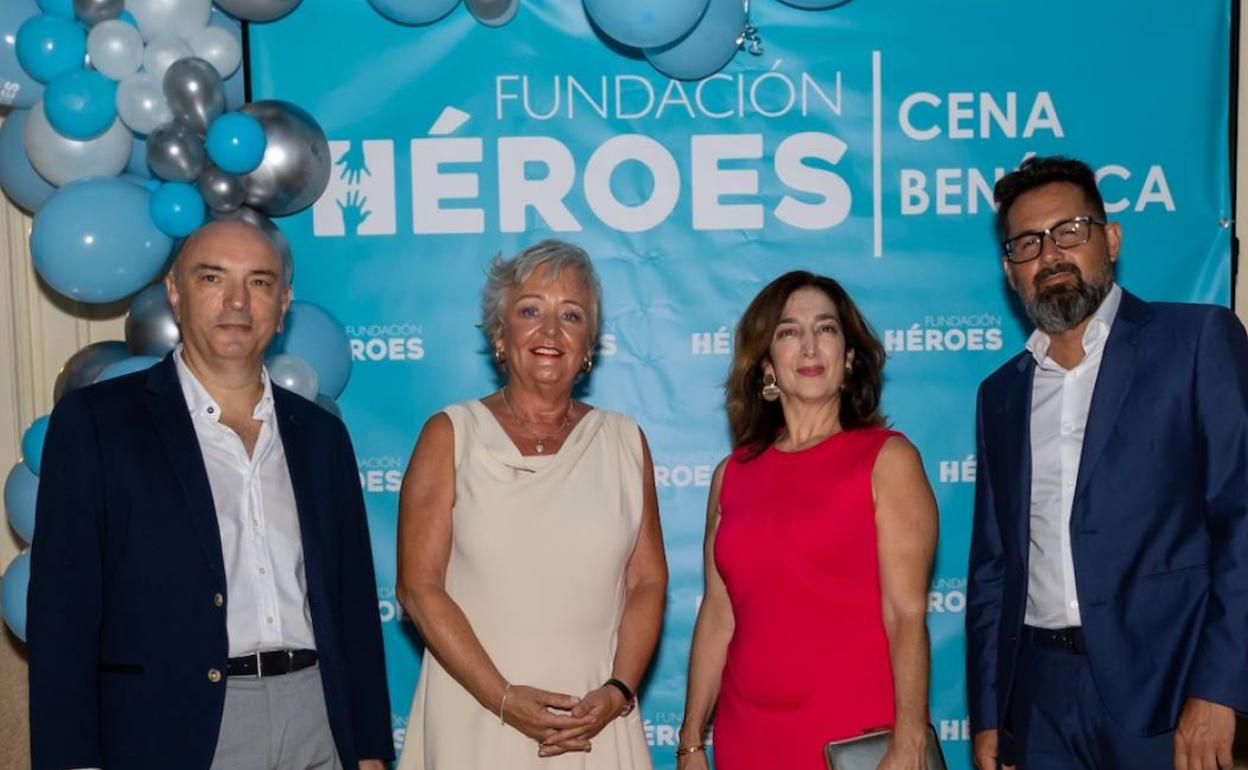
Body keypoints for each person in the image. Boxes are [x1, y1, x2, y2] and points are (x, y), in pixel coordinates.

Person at [27, 220, 393, 770]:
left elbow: (353, 604)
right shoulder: (98, 423)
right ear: (175, 293)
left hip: (317, 719)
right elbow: (63, 617)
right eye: (212, 278)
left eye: (261, 283)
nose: (238, 301)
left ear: (284, 302)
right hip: (174, 729)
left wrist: (367, 749)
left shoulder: (320, 435)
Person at [966, 156, 1248, 770]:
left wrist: (1221, 689)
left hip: (1169, 692)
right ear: (1010, 269)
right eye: (1028, 243)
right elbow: (993, 567)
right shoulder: (1000, 394)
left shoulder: (1197, 341)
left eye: (1070, 231)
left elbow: (1242, 521)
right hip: (1037, 701)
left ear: (1111, 239)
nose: (1051, 254)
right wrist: (992, 717)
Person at [394, 239, 668, 769]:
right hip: (475, 714)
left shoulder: (625, 442)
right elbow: (417, 588)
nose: (549, 331)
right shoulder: (450, 434)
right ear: (501, 334)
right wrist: (501, 697)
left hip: (596, 722)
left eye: (571, 315)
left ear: (589, 341)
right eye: (529, 311)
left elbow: (647, 582)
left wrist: (616, 690)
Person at [677, 271, 939, 770]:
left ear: (849, 358)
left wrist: (908, 742)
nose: (810, 345)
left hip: (856, 738)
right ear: (767, 364)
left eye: (826, 328)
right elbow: (717, 614)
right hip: (747, 741)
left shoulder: (888, 460)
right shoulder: (731, 475)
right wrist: (691, 741)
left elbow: (905, 615)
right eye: (789, 332)